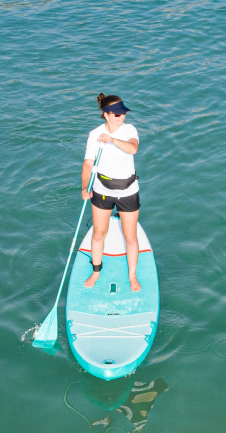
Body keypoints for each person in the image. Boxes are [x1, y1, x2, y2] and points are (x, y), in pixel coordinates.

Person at [81, 93, 141, 291]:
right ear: (106, 115)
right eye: (117, 115)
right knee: (99, 234)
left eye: (123, 113)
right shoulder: (94, 135)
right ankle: (96, 271)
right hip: (102, 190)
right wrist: (84, 187)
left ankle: (132, 276)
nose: (121, 117)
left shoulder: (129, 129)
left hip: (128, 191)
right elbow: (88, 163)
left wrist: (113, 140)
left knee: (130, 236)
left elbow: (133, 149)